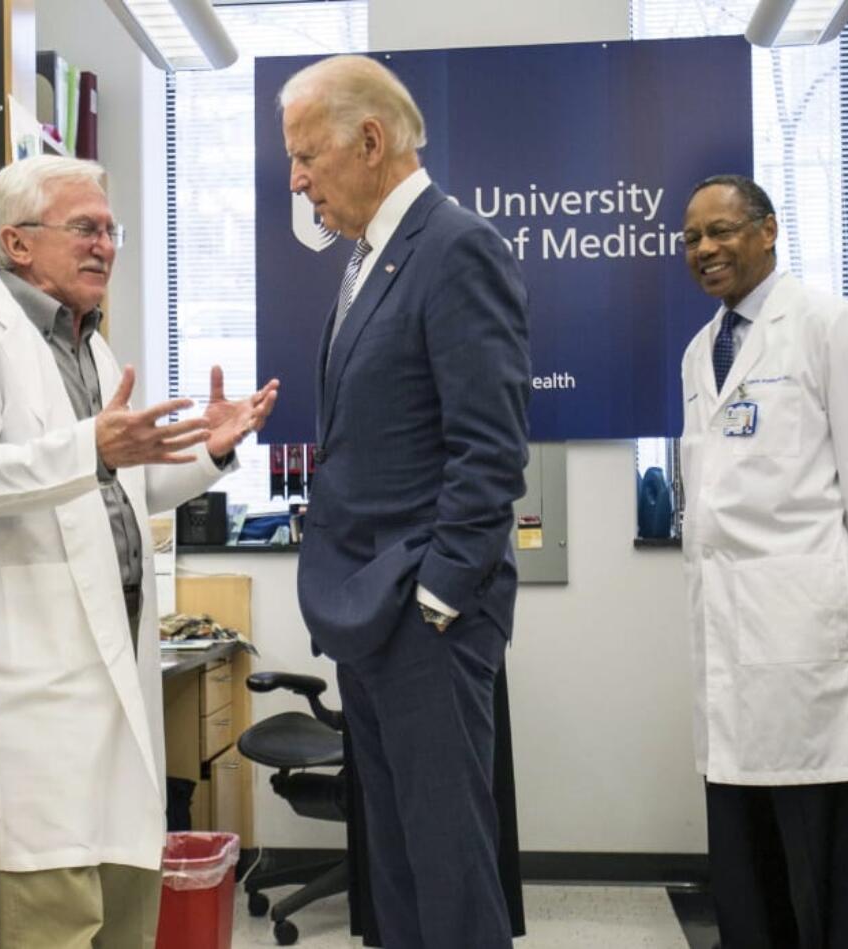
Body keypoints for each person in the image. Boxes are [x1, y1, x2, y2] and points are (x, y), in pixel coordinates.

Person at [0, 155, 277, 949]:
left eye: (111, 230)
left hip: (116, 665)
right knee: (57, 917)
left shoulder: (92, 349)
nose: (105, 245)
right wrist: (91, 449)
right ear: (17, 241)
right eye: (85, 228)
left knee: (125, 908)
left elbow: (118, 492)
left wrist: (207, 454)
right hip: (33, 673)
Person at [282, 55, 531, 949]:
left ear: (371, 141)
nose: (298, 178)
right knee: (393, 869)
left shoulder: (455, 245)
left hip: (425, 615)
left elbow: (491, 449)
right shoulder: (367, 261)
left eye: (308, 155)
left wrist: (437, 596)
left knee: (447, 864)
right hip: (372, 613)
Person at [678, 174, 848, 949]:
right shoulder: (698, 352)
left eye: (721, 231)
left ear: (768, 230)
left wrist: (828, 592)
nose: (705, 249)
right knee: (746, 868)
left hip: (802, 636)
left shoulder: (830, 326)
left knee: (820, 866)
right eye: (692, 238)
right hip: (728, 641)